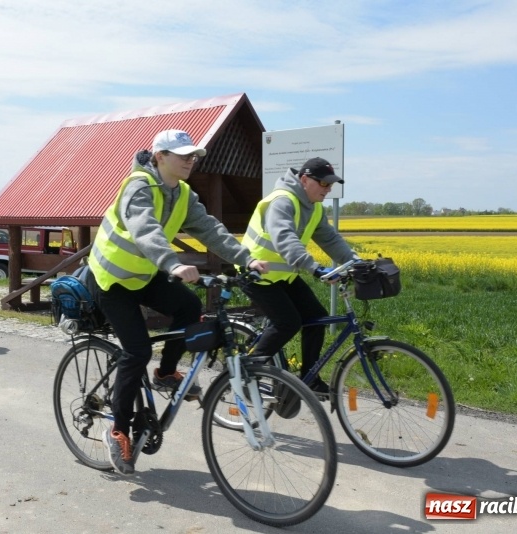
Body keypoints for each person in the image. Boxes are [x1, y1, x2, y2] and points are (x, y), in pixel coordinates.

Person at [87, 129, 268, 475]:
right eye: (183, 155)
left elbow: (210, 230)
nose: (191, 160)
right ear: (160, 157)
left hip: (143, 275)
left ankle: (166, 372)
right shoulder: (138, 187)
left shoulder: (182, 193)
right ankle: (118, 431)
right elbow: (145, 230)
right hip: (111, 279)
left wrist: (245, 258)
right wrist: (172, 263)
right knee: (136, 351)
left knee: (188, 309)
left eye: (194, 155)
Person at [241, 158, 360, 396]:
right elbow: (284, 238)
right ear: (304, 180)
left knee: (317, 318)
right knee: (288, 322)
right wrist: (314, 268)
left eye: (331, 185)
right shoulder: (282, 201)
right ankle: (245, 370)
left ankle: (309, 379)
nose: (328, 189)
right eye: (324, 184)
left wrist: (356, 262)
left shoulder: (314, 207)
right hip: (256, 273)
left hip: (282, 276)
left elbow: (330, 239)